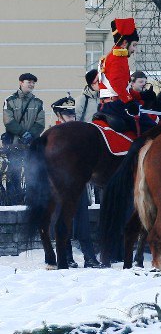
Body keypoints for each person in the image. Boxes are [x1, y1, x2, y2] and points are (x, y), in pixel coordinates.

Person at [50, 95, 102, 268]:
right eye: (68, 115)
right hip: (61, 187)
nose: (72, 118)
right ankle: (66, 256)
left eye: (73, 114)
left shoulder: (78, 135)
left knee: (83, 221)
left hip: (78, 184)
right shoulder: (54, 136)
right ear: (59, 116)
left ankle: (89, 256)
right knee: (63, 219)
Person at [97, 18, 156, 135]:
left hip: (111, 103)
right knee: (151, 128)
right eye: (134, 45)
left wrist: (141, 95)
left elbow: (123, 89)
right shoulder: (117, 58)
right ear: (125, 43)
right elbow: (116, 83)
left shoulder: (113, 56)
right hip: (115, 105)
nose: (134, 49)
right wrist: (129, 102)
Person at [2, 73, 45, 204]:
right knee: (13, 173)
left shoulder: (38, 102)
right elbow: (8, 121)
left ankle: (30, 200)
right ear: (21, 82)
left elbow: (40, 123)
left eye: (33, 82)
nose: (31, 84)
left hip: (31, 145)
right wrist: (23, 134)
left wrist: (30, 135)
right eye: (29, 82)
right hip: (14, 144)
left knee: (31, 173)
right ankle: (14, 201)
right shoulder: (10, 100)